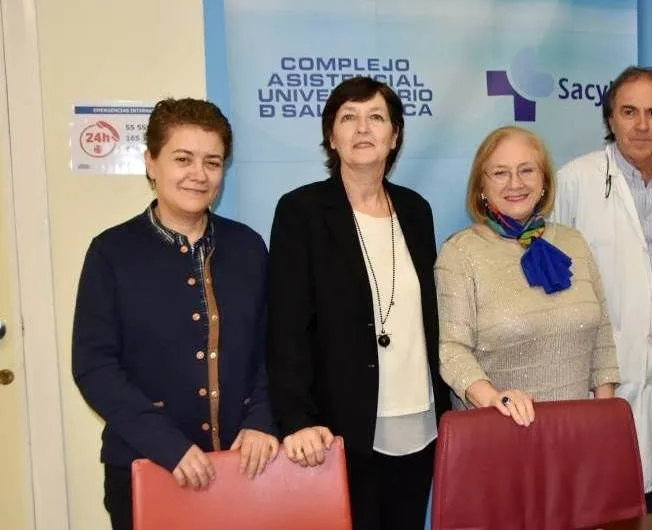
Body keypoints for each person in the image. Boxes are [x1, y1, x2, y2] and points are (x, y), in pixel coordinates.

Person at [72, 98, 279, 530]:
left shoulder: (247, 246)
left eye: (212, 161)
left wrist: (262, 421)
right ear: (151, 163)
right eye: (182, 159)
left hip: (242, 466)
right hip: (146, 467)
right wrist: (167, 446)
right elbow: (94, 367)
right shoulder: (111, 252)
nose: (198, 174)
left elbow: (272, 346)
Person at [266, 76, 450, 530]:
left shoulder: (415, 209)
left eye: (376, 117)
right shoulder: (302, 211)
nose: (362, 128)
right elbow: (286, 327)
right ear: (332, 136)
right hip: (339, 428)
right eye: (348, 117)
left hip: (420, 420)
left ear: (395, 135)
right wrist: (296, 419)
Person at [551, 66, 652, 510]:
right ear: (610, 119)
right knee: (598, 497)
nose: (641, 125)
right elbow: (553, 283)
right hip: (597, 370)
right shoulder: (575, 180)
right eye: (629, 111)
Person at [436, 126, 620, 425]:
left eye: (527, 170)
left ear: (544, 180)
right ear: (481, 186)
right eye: (499, 173)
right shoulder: (459, 253)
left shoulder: (574, 242)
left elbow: (602, 339)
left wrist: (605, 420)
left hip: (578, 431)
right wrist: (496, 400)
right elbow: (452, 350)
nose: (515, 183)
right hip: (500, 432)